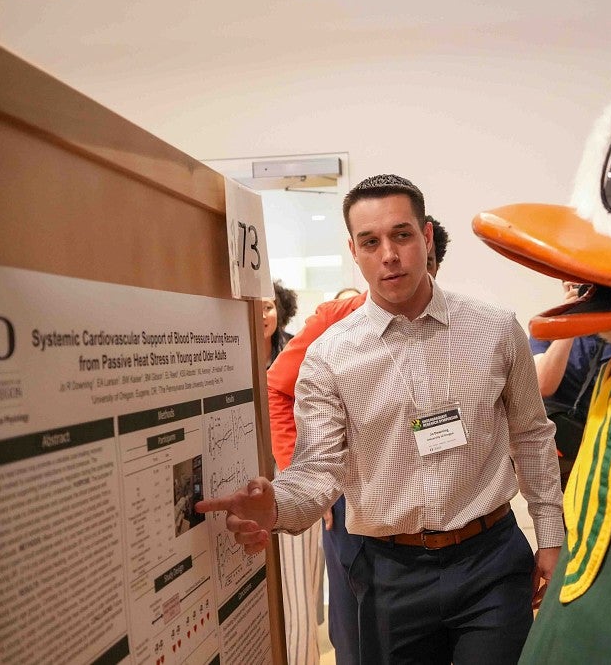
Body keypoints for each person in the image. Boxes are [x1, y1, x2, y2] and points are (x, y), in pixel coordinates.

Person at [201, 174, 563, 665]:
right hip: (390, 572)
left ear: (427, 237)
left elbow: (531, 434)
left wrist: (551, 535)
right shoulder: (330, 357)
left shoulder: (495, 329)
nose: (388, 254)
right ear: (355, 251)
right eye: (371, 242)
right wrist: (277, 505)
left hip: (491, 561)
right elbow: (319, 468)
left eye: (402, 235)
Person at [266, 215, 450, 664]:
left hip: (425, 498)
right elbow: (277, 387)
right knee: (358, 621)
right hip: (353, 494)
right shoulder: (336, 319)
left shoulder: (449, 322)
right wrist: (305, 476)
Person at [529, 281, 611, 485]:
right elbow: (542, 385)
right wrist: (569, 321)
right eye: (573, 284)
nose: (583, 291)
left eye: (586, 284)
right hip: (563, 461)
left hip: (609, 454)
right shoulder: (546, 326)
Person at [265, 279, 298, 366]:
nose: (262, 316)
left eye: (267, 307)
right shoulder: (234, 349)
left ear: (279, 310)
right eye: (255, 309)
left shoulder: (294, 346)